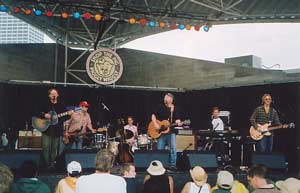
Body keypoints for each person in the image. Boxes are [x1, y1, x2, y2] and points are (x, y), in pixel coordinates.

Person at [151, 93, 182, 168]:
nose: (165, 98)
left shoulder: (175, 108)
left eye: (166, 97)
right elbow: (153, 115)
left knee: (173, 149)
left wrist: (179, 122)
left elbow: (177, 118)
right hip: (161, 133)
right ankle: (159, 166)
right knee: (160, 150)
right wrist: (155, 124)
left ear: (171, 99)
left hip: (171, 132)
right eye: (164, 97)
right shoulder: (160, 106)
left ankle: (173, 166)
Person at [38, 88, 66, 169]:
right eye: (52, 94)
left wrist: (69, 113)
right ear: (49, 96)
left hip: (57, 130)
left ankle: (52, 164)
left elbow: (66, 116)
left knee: (54, 148)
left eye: (55, 94)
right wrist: (44, 115)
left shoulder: (61, 105)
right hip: (46, 129)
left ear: (58, 95)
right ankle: (46, 165)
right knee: (46, 147)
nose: (54, 95)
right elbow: (37, 113)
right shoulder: (45, 104)